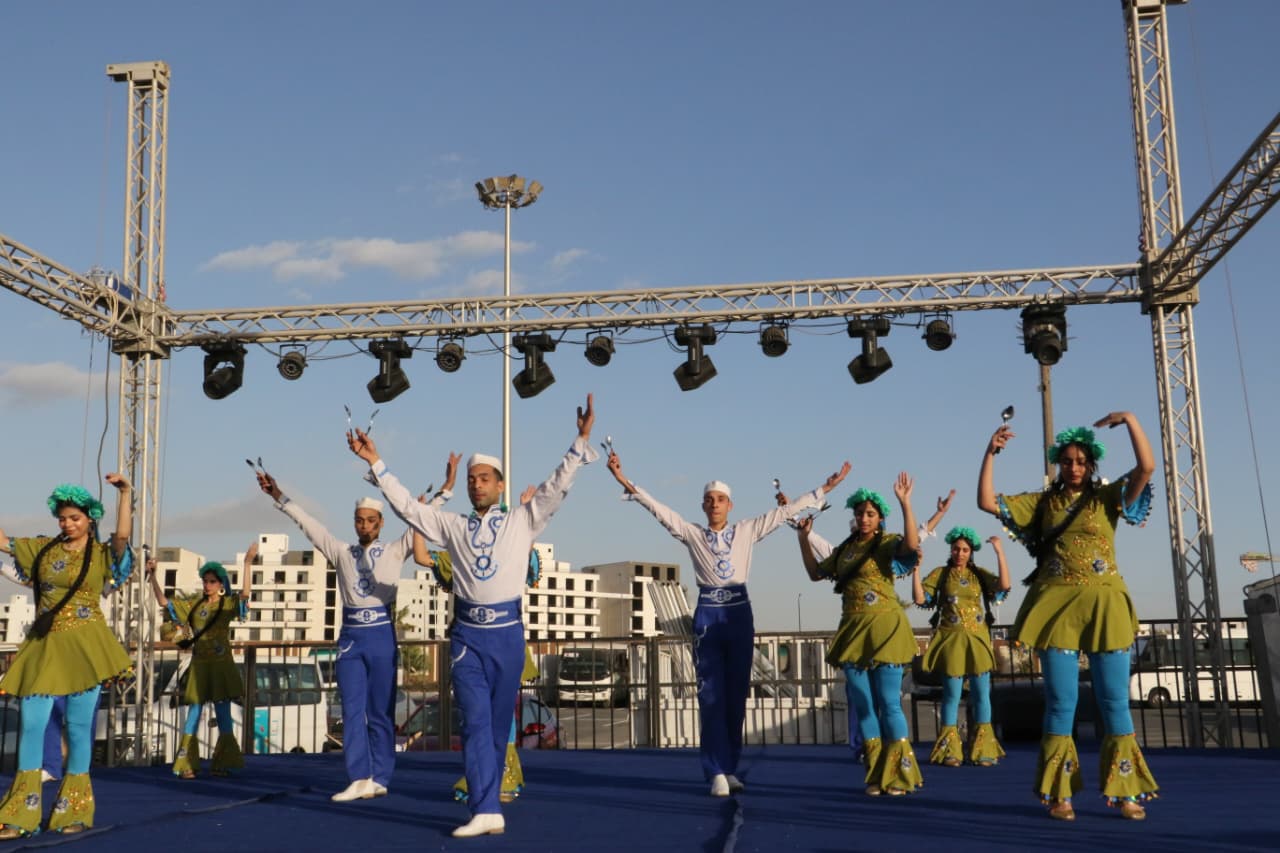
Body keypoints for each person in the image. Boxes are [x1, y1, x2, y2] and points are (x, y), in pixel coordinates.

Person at [347, 393, 598, 838]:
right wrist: (376, 461)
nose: (476, 484)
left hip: (507, 635)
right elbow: (409, 508)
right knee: (476, 722)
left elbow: (556, 486)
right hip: (467, 639)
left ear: (500, 486)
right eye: (471, 479)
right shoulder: (454, 526)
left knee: (498, 727)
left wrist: (580, 441)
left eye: (484, 479)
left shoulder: (522, 520)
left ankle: (490, 806)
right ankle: (484, 808)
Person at [607, 451, 850, 797]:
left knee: (736, 696)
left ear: (730, 505)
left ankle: (729, 766)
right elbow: (659, 510)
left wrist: (825, 489)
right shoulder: (692, 533)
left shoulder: (746, 530)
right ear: (703, 506)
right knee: (711, 696)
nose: (715, 504)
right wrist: (624, 480)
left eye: (720, 499)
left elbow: (784, 512)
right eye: (709, 500)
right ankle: (715, 770)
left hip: (738, 613)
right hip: (709, 614)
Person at [978, 412, 1157, 821]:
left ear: (1091, 464)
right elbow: (987, 501)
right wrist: (991, 452)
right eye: (1066, 461)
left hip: (1105, 607)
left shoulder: (1108, 498)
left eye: (1080, 462)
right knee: (1061, 703)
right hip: (1057, 608)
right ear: (1058, 464)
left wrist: (1130, 420)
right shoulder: (1043, 503)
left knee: (1115, 702)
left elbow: (1146, 467)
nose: (1073, 468)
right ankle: (1060, 794)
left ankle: (1126, 792)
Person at [255, 454, 458, 802]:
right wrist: (278, 494)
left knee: (380, 711)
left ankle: (380, 776)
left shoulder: (395, 550)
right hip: (350, 639)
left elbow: (421, 519)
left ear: (380, 523)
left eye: (371, 521)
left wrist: (446, 489)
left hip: (381, 636)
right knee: (351, 709)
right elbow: (308, 523)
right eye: (360, 521)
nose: (365, 526)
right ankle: (358, 776)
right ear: (355, 523)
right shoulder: (340, 551)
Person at [0, 476, 135, 838]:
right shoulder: (43, 549)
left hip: (87, 649)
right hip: (45, 648)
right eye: (62, 518)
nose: (67, 524)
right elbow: (3, 542)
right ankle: (20, 816)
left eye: (75, 518)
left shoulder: (104, 554)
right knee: (31, 724)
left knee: (77, 729)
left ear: (90, 518)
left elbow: (123, 536)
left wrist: (125, 493)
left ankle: (72, 812)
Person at [794, 474, 921, 796]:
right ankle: (876, 773)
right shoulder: (846, 549)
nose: (864, 518)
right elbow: (815, 573)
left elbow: (911, 546)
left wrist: (906, 504)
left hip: (886, 630)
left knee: (889, 703)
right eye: (860, 513)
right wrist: (803, 538)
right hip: (853, 633)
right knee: (864, 705)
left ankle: (900, 775)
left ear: (879, 518)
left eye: (870, 514)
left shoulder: (887, 543)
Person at [413, 487, 539, 805]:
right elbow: (423, 557)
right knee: (478, 717)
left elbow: (527, 558)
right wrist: (418, 520)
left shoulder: (508, 554)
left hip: (502, 642)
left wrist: (527, 515)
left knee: (501, 716)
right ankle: (486, 783)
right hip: (472, 643)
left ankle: (501, 779)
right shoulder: (461, 557)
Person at [147, 545, 255, 778]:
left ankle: (223, 763)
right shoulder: (195, 605)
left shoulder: (227, 604)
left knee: (223, 714)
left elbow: (245, 595)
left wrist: (247, 564)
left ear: (221, 584)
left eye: (212, 581)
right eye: (205, 581)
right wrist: (153, 576)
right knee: (193, 714)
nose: (208, 585)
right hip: (199, 665)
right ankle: (186, 764)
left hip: (221, 665)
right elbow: (164, 602)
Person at [911, 526, 1010, 767]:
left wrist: (999, 552)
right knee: (952, 696)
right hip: (951, 640)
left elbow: (1004, 586)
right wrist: (916, 568)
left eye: (965, 550)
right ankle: (950, 751)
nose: (960, 553)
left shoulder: (978, 575)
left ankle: (984, 750)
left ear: (971, 551)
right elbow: (920, 598)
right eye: (956, 549)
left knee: (981, 694)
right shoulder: (941, 574)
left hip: (977, 640)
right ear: (951, 549)